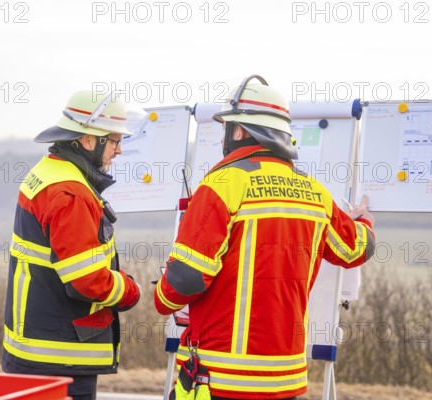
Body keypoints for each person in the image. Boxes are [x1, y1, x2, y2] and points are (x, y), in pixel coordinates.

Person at [154, 75, 376, 400]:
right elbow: (358, 247)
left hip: (220, 378)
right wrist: (365, 219)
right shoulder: (315, 193)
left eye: (226, 128)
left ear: (239, 131)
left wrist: (162, 297)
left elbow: (186, 278)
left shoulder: (221, 184)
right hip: (285, 380)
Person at [2, 90, 144, 400]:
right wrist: (130, 290)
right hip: (60, 357)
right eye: (115, 141)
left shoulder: (48, 171)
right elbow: (88, 280)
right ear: (89, 140)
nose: (119, 151)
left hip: (35, 348)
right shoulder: (72, 194)